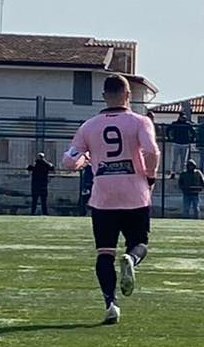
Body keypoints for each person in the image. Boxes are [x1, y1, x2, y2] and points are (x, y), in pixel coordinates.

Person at [62, 73, 160, 324]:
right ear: (128, 95)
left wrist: (86, 159)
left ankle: (111, 304)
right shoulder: (140, 122)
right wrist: (149, 175)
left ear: (104, 96)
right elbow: (151, 151)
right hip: (134, 194)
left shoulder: (89, 126)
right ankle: (131, 259)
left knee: (104, 252)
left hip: (103, 197)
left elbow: (70, 161)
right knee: (139, 243)